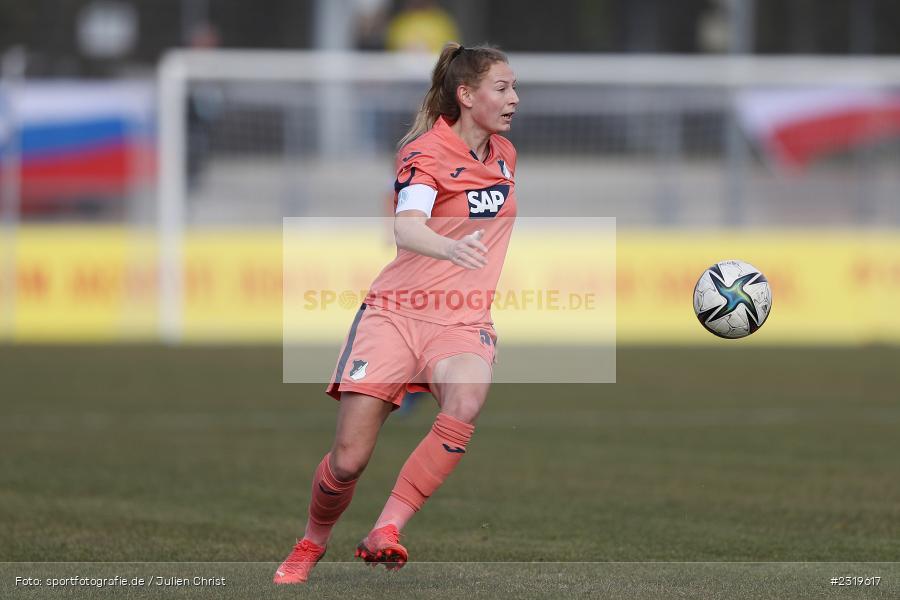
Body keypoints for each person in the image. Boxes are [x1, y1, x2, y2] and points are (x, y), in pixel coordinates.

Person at [274, 42, 519, 584]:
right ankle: (310, 544)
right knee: (348, 461)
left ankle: (387, 529)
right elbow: (406, 226)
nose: (513, 99)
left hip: (461, 322)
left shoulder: (505, 154)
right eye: (502, 88)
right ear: (466, 94)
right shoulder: (423, 153)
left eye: (513, 88)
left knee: (468, 399)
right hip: (396, 316)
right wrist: (447, 246)